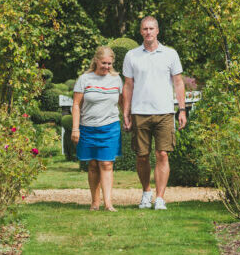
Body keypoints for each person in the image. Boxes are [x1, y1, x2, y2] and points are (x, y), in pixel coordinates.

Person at [122, 16, 186, 211]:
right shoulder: (132, 56)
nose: (148, 32)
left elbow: (178, 82)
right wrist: (126, 112)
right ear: (141, 32)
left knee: (162, 154)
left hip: (165, 112)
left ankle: (160, 198)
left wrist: (181, 109)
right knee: (142, 156)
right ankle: (146, 192)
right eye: (144, 29)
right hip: (140, 112)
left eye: (151, 28)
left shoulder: (170, 54)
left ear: (157, 31)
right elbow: (128, 85)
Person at [71, 46, 124, 211]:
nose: (106, 66)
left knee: (107, 163)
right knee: (93, 164)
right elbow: (76, 105)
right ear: (96, 60)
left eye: (109, 63)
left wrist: (127, 119)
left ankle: (108, 203)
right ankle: (95, 202)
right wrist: (75, 128)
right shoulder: (85, 79)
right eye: (103, 63)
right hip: (88, 128)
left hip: (110, 127)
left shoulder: (116, 80)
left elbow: (122, 103)